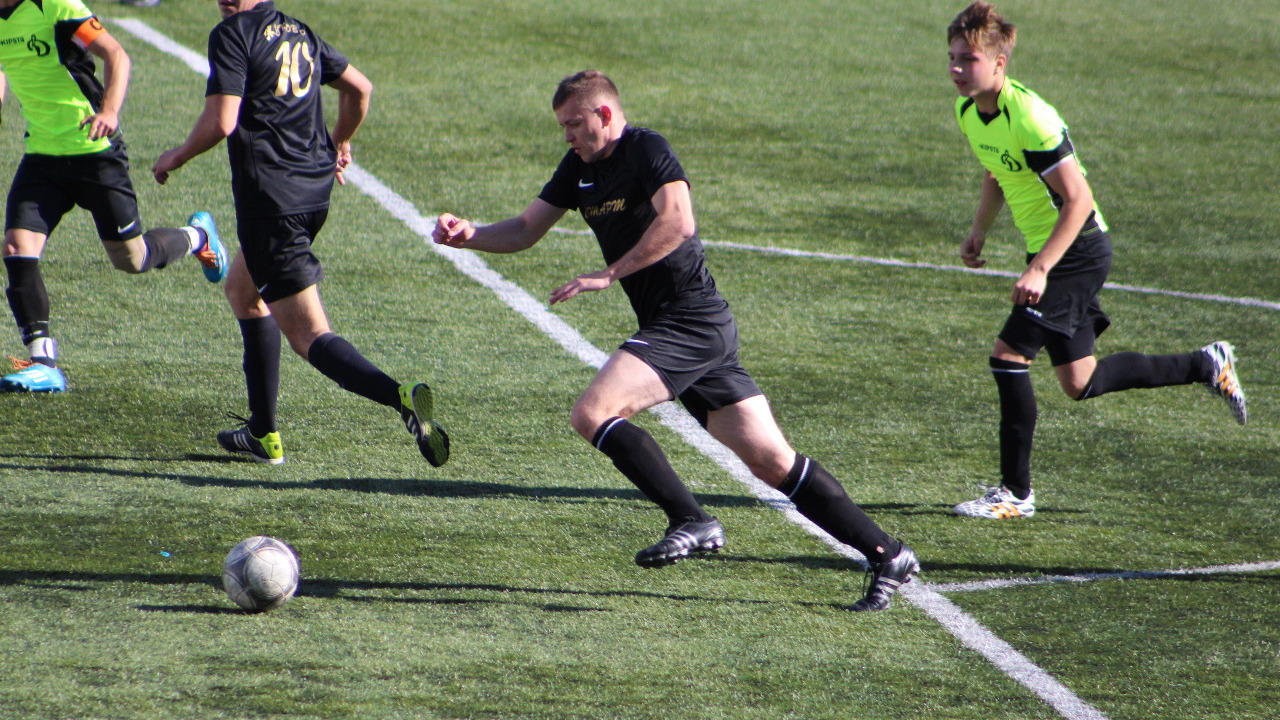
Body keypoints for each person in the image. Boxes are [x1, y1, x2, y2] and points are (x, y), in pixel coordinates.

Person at [434, 70, 918, 611]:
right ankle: (889, 553)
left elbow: (678, 223)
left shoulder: (647, 149)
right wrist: (469, 236)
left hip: (690, 321)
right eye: (562, 127)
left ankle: (691, 519)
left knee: (593, 413)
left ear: (605, 115)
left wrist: (609, 274)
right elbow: (526, 229)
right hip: (690, 329)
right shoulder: (578, 168)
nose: (567, 136)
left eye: (574, 124)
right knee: (772, 463)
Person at [946, 2, 1247, 519]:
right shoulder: (970, 111)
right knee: (1080, 381)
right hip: (1051, 248)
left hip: (1077, 249)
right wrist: (978, 230)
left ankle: (1016, 494)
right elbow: (997, 171)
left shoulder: (1032, 118)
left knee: (1008, 356)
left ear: (999, 62)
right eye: (952, 58)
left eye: (968, 59)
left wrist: (1041, 267)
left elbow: (1079, 200)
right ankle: (1207, 363)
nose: (956, 69)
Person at [151, 0, 448, 467]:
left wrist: (177, 155)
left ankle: (399, 398)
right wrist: (340, 141)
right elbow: (360, 88)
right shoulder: (299, 32)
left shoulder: (232, 33)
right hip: (312, 196)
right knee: (243, 290)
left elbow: (222, 121)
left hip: (271, 206)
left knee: (309, 335)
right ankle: (262, 432)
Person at [0, 0, 227, 393]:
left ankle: (199, 237)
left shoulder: (56, 7)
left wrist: (109, 111)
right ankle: (43, 362)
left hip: (96, 153)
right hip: (42, 156)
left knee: (132, 259)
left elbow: (116, 54)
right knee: (16, 247)